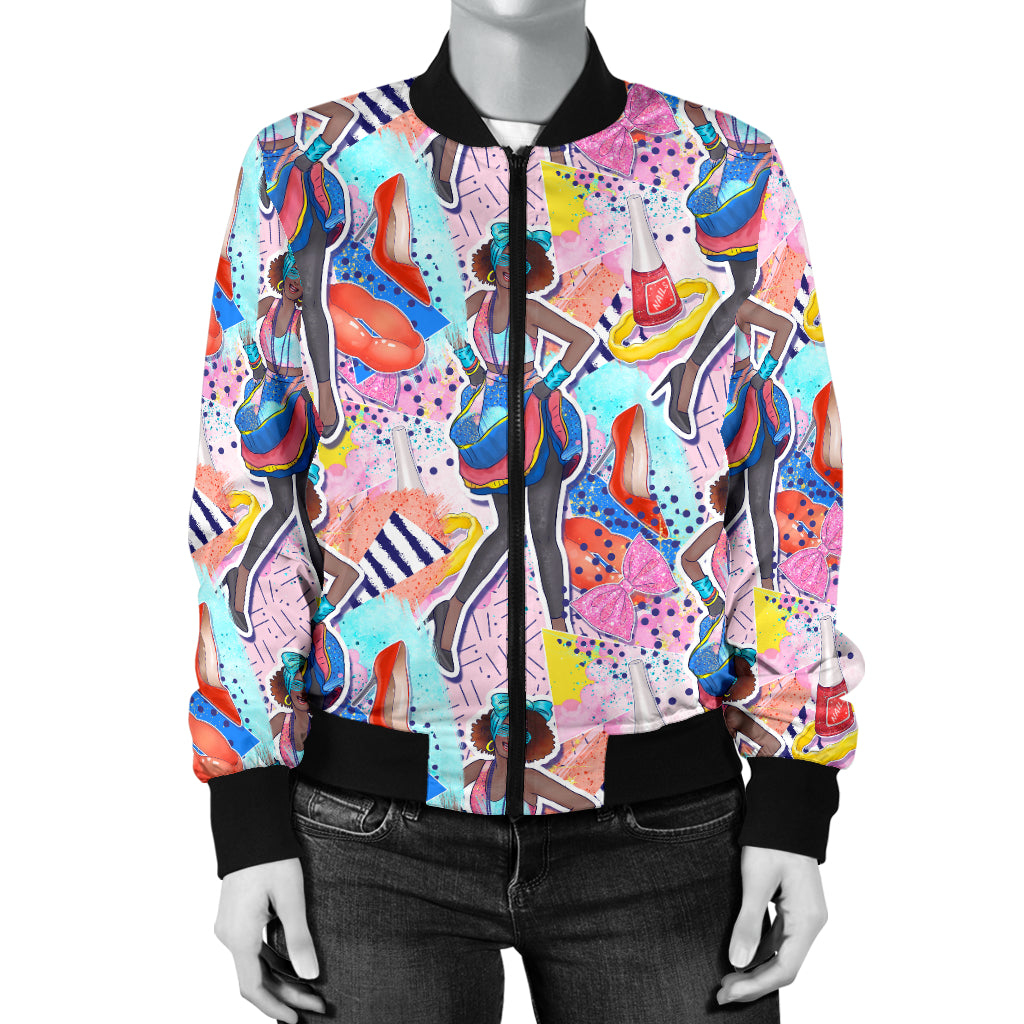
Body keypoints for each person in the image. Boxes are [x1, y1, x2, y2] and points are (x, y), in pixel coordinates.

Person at [187, 3, 865, 1021]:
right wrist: (246, 814)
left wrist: (794, 792)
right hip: (370, 831)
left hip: (667, 828)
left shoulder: (724, 164)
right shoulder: (307, 163)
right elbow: (245, 497)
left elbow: (790, 488)